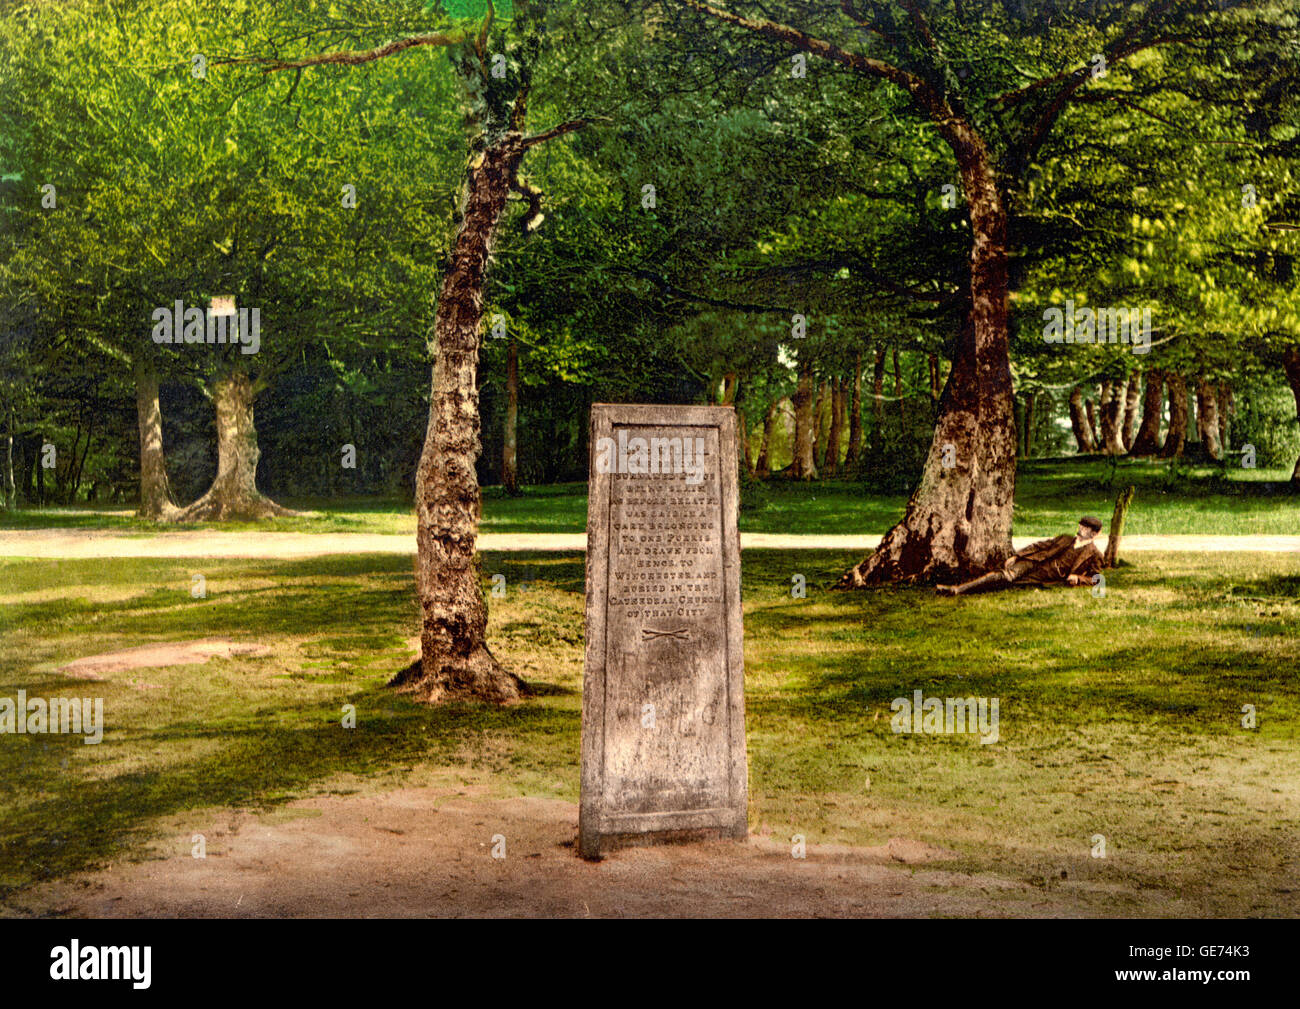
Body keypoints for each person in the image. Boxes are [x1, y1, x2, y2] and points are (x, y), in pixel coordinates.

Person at [936, 516, 1105, 596]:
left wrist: (1078, 579)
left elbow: (1098, 579)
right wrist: (1017, 556)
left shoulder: (1094, 553)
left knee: (1006, 583)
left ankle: (963, 589)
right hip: (1033, 562)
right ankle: (956, 589)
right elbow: (1039, 545)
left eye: (1086, 527)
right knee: (1006, 576)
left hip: (1046, 577)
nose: (1081, 528)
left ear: (1094, 533)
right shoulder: (1066, 538)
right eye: (1081, 525)